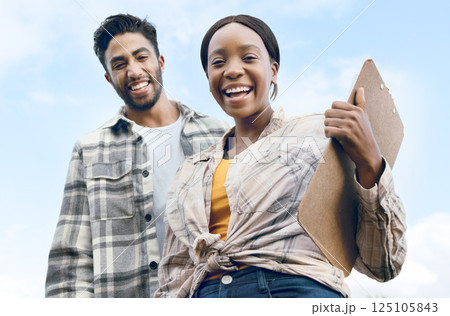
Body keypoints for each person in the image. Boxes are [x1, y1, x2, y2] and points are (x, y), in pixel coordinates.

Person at [155, 14, 407, 298]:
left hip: (294, 290)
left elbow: (384, 264)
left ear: (273, 70)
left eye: (248, 58)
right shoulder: (190, 172)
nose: (232, 70)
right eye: (218, 62)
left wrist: (370, 162)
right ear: (209, 79)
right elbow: (174, 276)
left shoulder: (321, 136)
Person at [45, 14, 228, 298]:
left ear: (160, 62)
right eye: (120, 64)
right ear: (109, 78)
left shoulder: (219, 134)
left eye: (141, 57)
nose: (133, 71)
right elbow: (70, 260)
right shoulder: (89, 149)